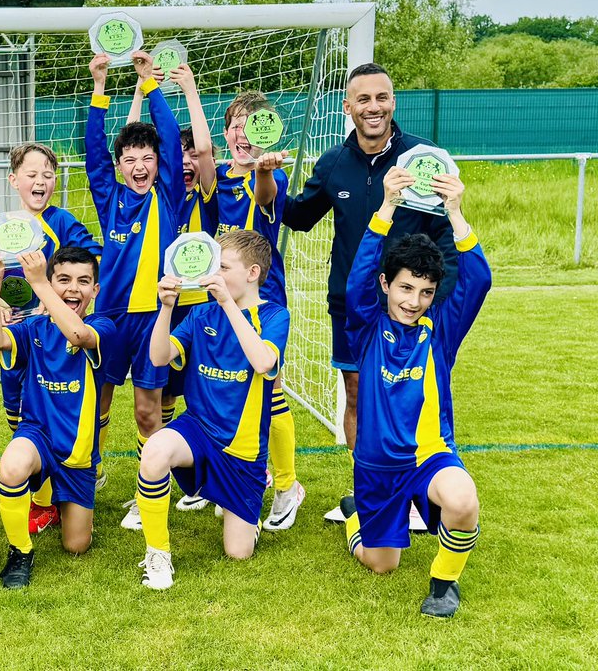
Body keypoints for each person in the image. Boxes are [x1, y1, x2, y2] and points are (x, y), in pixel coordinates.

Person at [282, 62, 457, 523]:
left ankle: (415, 495)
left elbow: (446, 240)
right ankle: (369, 494)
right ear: (348, 107)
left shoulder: (423, 158)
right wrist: (266, 180)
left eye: (381, 97)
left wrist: (436, 303)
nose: (373, 107)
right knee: (358, 396)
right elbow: (299, 217)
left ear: (393, 102)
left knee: (412, 397)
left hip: (413, 307)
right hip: (353, 307)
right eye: (363, 99)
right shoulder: (334, 164)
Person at [339, 166, 490, 618]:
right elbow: (356, 279)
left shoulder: (440, 330)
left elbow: (478, 281)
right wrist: (386, 206)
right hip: (377, 467)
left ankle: (444, 586)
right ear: (386, 285)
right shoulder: (367, 326)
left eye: (425, 292)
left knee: (463, 500)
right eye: (405, 287)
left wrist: (455, 212)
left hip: (429, 457)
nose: (413, 300)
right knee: (381, 564)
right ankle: (355, 517)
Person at [137, 229, 290, 591]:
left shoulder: (274, 316)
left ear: (252, 273)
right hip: (199, 431)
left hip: (242, 449)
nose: (213, 274)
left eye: (223, 267)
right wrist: (166, 308)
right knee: (155, 451)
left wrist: (228, 306)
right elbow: (158, 357)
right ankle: (157, 555)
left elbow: (265, 363)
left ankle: (241, 507)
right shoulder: (200, 313)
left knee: (238, 553)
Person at [0, 141, 102, 534]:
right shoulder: (1, 228)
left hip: (55, 333)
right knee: (20, 412)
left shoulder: (61, 221)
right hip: (15, 335)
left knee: (58, 403)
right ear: (14, 180)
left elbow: (91, 257)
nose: (40, 180)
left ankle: (56, 493)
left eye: (47, 174)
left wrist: (56, 290)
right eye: (32, 173)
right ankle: (40, 487)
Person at [85, 51, 185, 530]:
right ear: (121, 166)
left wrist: (150, 84)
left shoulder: (168, 194)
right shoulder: (110, 197)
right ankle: (90, 471)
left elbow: (167, 135)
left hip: (154, 318)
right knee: (97, 401)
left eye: (147, 158)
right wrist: (100, 86)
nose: (139, 165)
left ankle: (150, 487)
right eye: (130, 159)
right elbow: (92, 152)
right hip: (110, 318)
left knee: (148, 410)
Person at [0, 246, 111, 588]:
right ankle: (20, 552)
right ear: (53, 283)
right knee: (10, 467)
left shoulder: (103, 327)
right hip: (37, 435)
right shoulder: (34, 327)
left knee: (76, 546)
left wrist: (40, 284)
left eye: (83, 282)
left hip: (78, 454)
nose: (72, 288)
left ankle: (65, 506)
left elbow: (78, 335)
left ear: (95, 290)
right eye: (63, 280)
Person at [201, 91, 302, 530]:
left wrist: (263, 169)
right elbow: (202, 155)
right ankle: (239, 473)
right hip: (220, 295)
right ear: (227, 133)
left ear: (268, 134)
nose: (244, 132)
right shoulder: (215, 177)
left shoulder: (267, 179)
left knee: (270, 386)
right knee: (226, 384)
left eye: (255, 125)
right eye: (237, 124)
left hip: (264, 300)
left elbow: (265, 193)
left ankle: (287, 485)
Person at [127, 63, 218, 512]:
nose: (184, 161)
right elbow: (131, 146)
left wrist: (189, 89)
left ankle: (218, 477)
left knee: (205, 396)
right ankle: (157, 478)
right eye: (174, 154)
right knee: (158, 397)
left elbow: (203, 152)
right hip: (162, 309)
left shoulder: (202, 193)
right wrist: (142, 93)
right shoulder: (155, 197)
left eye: (189, 156)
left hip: (201, 311)